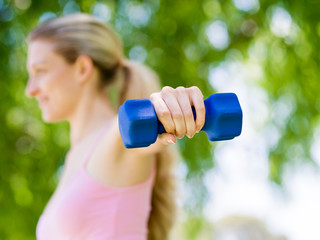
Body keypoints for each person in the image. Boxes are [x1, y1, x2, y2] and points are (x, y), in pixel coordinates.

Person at [26, 13, 206, 240]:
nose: (30, 90)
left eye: (40, 71)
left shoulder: (121, 134)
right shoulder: (74, 158)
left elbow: (145, 128)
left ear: (82, 68)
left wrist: (172, 104)